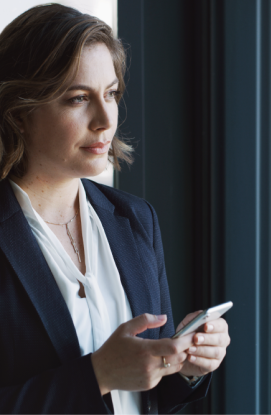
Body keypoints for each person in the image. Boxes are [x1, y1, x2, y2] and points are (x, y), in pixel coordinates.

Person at [0, 4, 230, 415]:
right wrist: (96, 376)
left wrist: (185, 364)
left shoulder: (136, 219)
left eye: (111, 94)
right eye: (77, 98)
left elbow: (149, 394)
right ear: (19, 111)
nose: (106, 120)